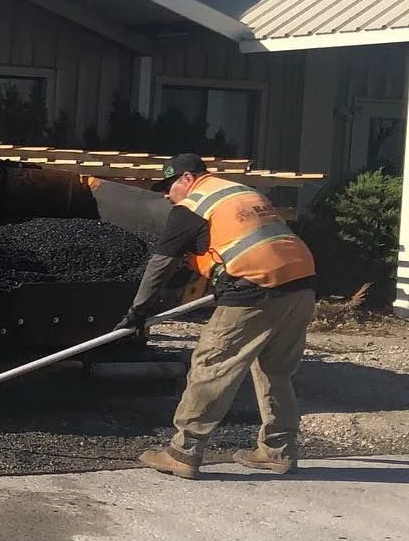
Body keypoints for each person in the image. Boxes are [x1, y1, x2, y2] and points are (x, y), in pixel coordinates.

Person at [119, 152, 316, 479]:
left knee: (212, 366)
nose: (167, 195)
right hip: (302, 286)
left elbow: (161, 264)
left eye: (170, 186)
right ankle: (278, 451)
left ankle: (183, 453)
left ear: (186, 179)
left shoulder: (193, 205)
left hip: (255, 288)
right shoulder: (242, 193)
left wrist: (138, 310)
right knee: (275, 370)